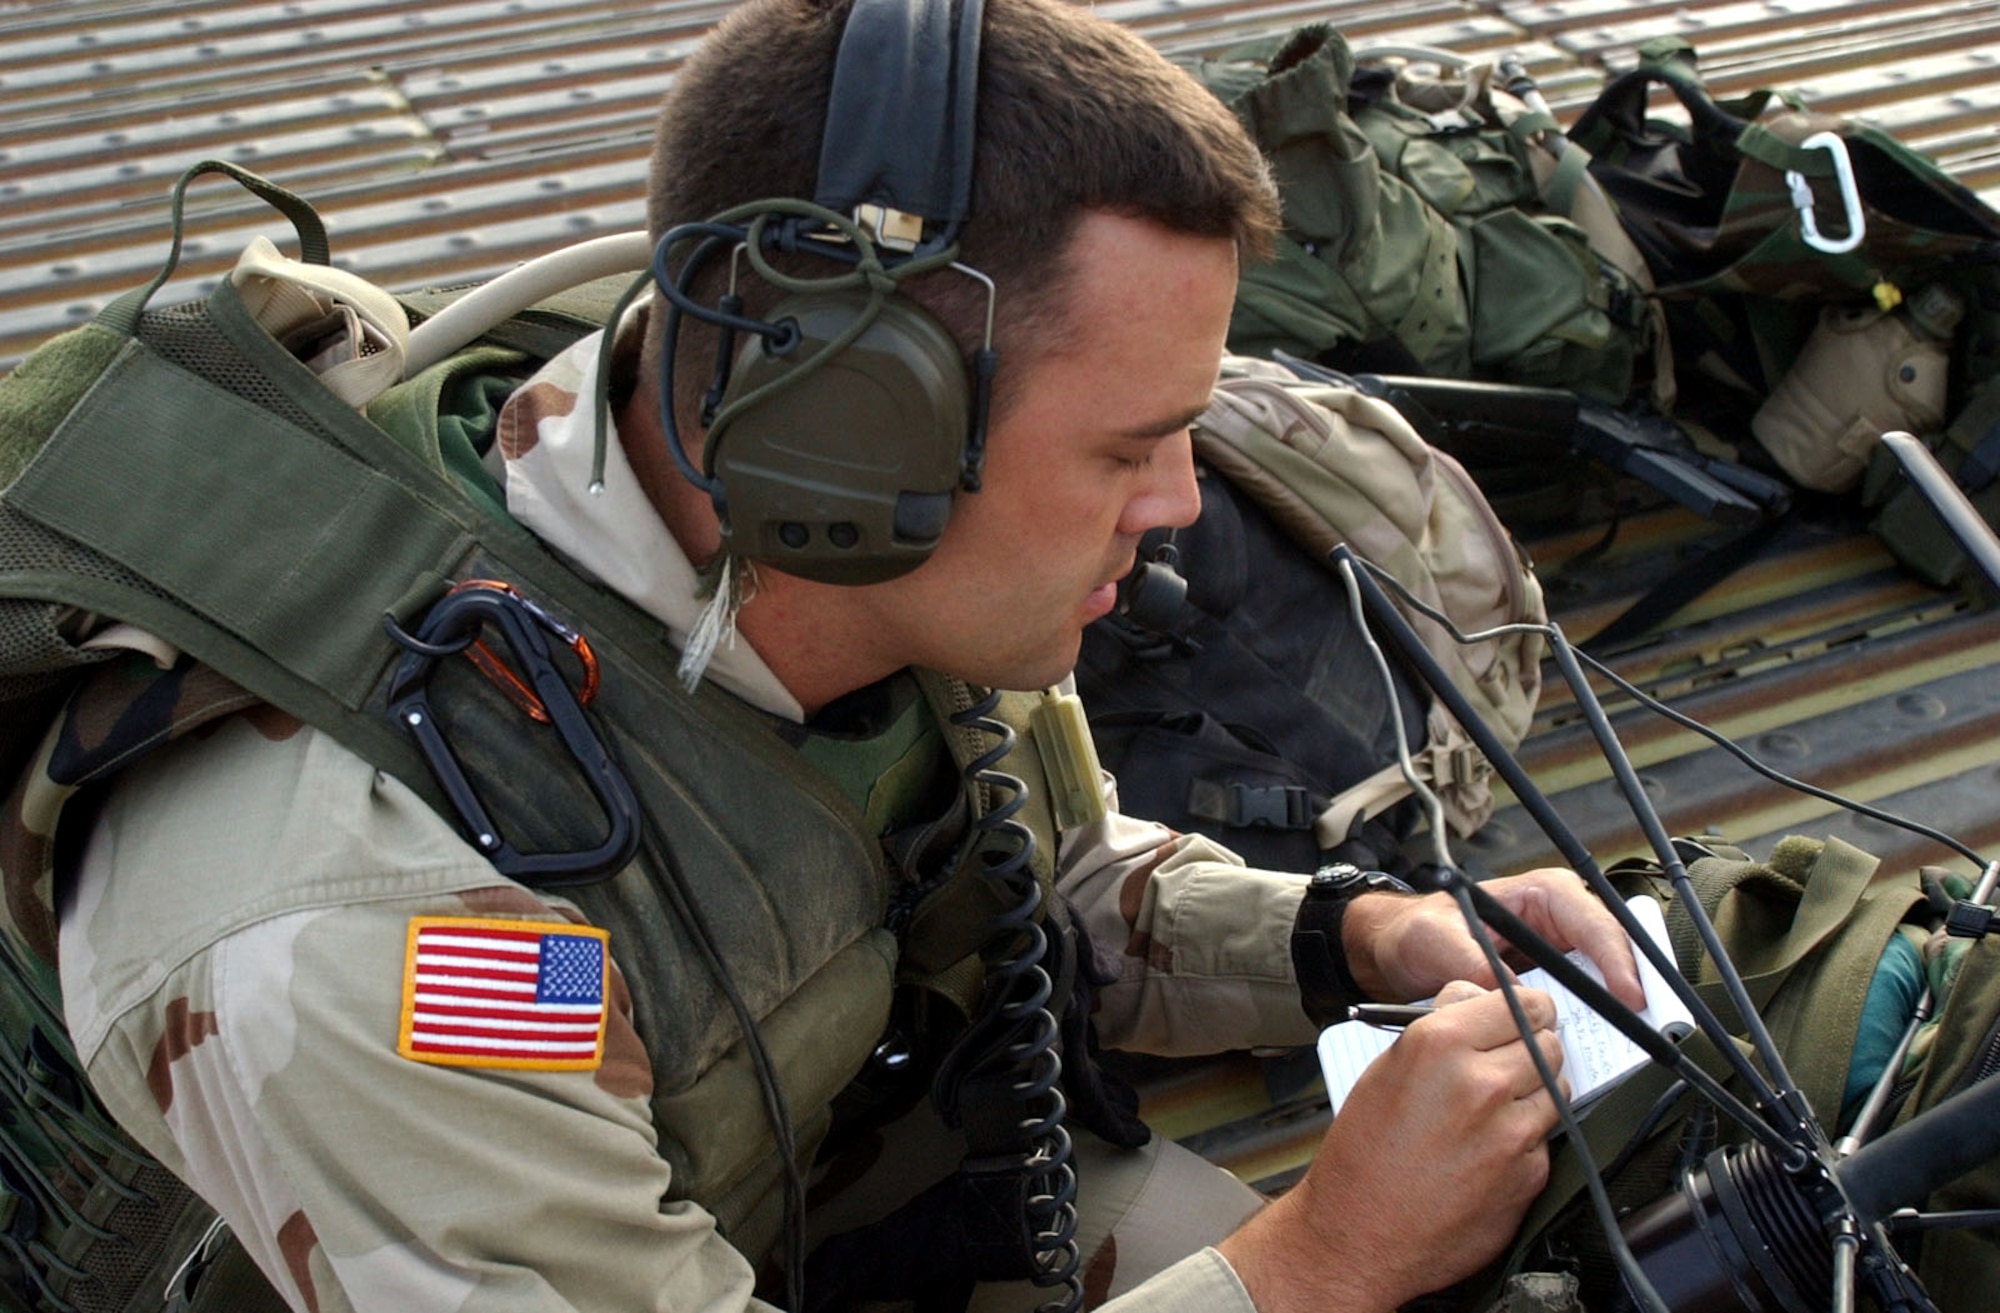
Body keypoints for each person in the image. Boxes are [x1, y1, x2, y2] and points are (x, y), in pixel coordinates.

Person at [51, 0, 1647, 1309]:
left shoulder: (850, 534)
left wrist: (1356, 939)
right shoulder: (379, 938)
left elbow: (1053, 874)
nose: (1178, 510)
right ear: (846, 428)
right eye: (1127, 450)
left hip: (837, 1188)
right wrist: (1311, 1265)